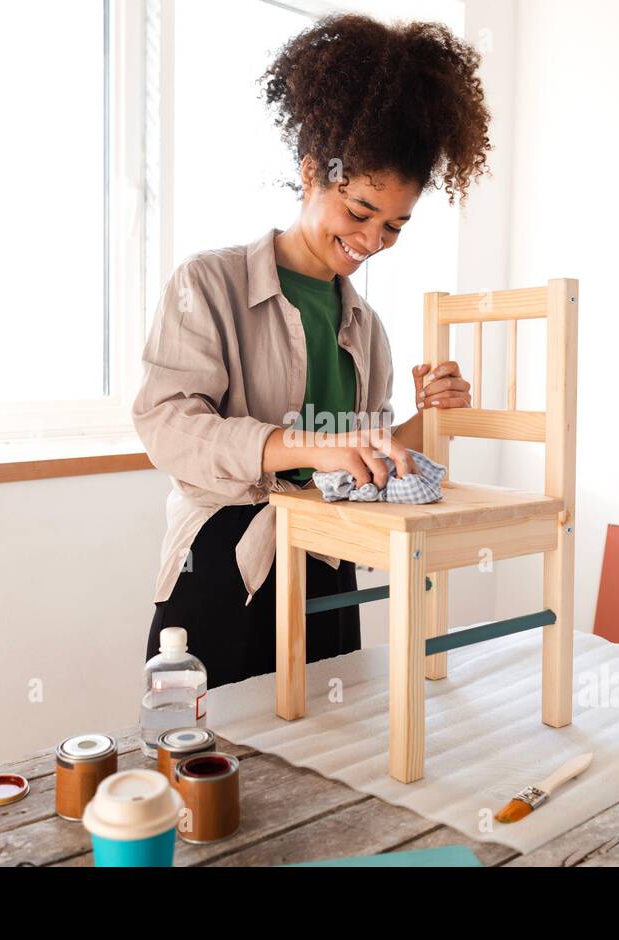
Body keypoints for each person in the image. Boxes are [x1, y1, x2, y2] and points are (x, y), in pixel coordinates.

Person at [132, 13, 493, 688]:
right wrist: (309, 447)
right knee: (208, 778)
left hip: (329, 570)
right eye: (359, 212)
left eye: (394, 225)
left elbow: (370, 462)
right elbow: (169, 427)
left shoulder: (367, 327)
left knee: (330, 774)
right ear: (310, 173)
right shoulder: (210, 284)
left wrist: (432, 417)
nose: (374, 239)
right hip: (226, 572)